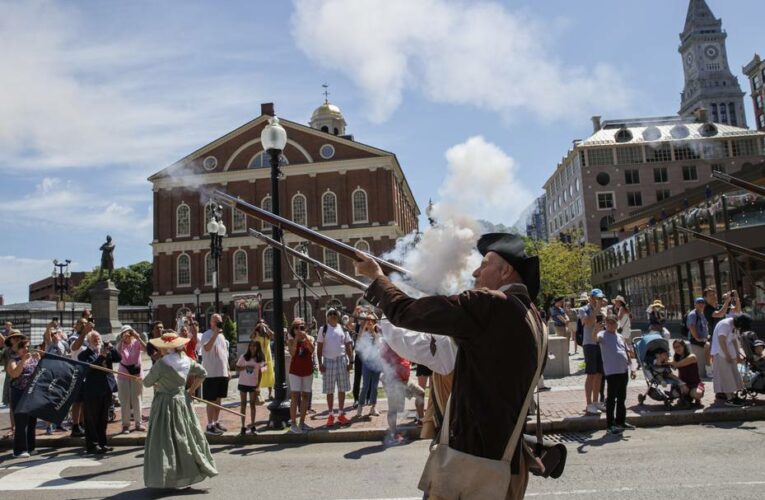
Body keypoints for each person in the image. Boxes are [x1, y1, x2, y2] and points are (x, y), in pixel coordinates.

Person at [355, 232, 544, 499]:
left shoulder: (491, 305)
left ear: (506, 271)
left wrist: (377, 277)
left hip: (473, 466)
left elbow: (406, 312)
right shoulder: (533, 317)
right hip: (505, 465)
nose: (476, 272)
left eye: (485, 264)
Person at [142, 330, 218, 489]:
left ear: (165, 347)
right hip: (182, 403)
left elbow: (147, 383)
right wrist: (191, 390)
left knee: (165, 442)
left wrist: (154, 381)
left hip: (164, 405)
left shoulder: (162, 364)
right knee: (185, 439)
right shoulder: (187, 360)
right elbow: (203, 373)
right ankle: (188, 472)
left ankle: (168, 477)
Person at [79, 331, 121, 454]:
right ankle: (92, 445)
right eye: (94, 338)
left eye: (98, 337)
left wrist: (112, 348)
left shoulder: (106, 350)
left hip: (106, 388)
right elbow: (89, 369)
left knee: (103, 418)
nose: (97, 340)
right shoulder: (84, 354)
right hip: (92, 390)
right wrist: (101, 357)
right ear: (89, 340)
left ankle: (102, 443)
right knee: (92, 419)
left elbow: (119, 358)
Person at [596, 315, 636, 435]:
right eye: (609, 323)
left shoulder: (620, 336)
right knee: (611, 399)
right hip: (611, 371)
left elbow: (626, 352)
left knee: (622, 398)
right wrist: (595, 329)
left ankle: (621, 421)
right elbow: (595, 338)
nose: (612, 325)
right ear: (606, 324)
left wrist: (632, 368)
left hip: (623, 370)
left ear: (617, 324)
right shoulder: (602, 335)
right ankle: (610, 424)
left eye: (614, 323)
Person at [380, 341, 424, 445]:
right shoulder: (387, 343)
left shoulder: (401, 340)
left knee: (421, 393)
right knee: (393, 409)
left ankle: (421, 419)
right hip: (394, 381)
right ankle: (393, 433)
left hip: (406, 379)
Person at [317, 308, 354, 426]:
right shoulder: (323, 329)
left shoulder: (343, 328)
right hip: (328, 361)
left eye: (335, 314)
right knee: (329, 390)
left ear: (338, 316)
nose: (333, 315)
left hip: (342, 360)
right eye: (330, 314)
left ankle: (341, 413)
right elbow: (319, 348)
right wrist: (320, 363)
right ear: (327, 317)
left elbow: (348, 345)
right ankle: (331, 414)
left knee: (342, 388)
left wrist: (351, 362)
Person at [7, 337, 38, 458]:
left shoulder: (33, 359)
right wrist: (23, 361)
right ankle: (19, 450)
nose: (26, 349)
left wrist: (38, 360)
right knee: (21, 422)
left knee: (31, 421)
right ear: (18, 349)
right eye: (24, 347)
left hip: (31, 393)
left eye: (28, 347)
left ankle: (30, 447)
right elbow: (14, 373)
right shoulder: (13, 360)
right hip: (19, 393)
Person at [201, 313, 230, 436]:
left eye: (219, 321)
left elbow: (225, 354)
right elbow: (206, 348)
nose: (218, 323)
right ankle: (209, 424)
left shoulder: (222, 337)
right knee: (211, 400)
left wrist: (228, 369)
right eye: (215, 321)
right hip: (211, 373)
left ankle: (216, 421)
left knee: (219, 399)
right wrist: (214, 334)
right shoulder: (206, 335)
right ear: (211, 322)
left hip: (221, 371)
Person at [711, 314, 749, 407]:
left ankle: (733, 396)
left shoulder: (734, 325)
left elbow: (734, 340)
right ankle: (730, 399)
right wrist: (727, 355)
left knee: (733, 375)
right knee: (726, 376)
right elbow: (721, 340)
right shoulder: (725, 324)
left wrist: (737, 354)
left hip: (729, 354)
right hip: (720, 354)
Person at [116, 325, 147, 434]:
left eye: (129, 332)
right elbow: (117, 354)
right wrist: (122, 339)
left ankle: (139, 423)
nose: (128, 335)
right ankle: (125, 425)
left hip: (137, 375)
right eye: (125, 333)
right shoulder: (121, 344)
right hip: (123, 374)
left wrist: (138, 337)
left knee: (137, 399)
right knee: (125, 400)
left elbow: (147, 349)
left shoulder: (136, 342)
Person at [581, 289, 605, 415]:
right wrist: (596, 309)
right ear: (591, 298)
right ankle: (589, 403)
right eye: (597, 298)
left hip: (600, 343)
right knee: (591, 373)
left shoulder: (603, 310)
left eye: (600, 298)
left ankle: (596, 401)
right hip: (589, 344)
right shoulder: (583, 309)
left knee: (599, 374)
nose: (599, 301)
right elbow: (588, 322)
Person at [287, 318, 314, 434]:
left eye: (301, 327)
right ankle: (293, 423)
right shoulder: (290, 340)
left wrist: (305, 338)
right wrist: (297, 339)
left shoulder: (310, 338)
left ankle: (302, 423)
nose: (299, 330)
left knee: (306, 396)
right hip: (295, 371)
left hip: (307, 370)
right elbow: (292, 353)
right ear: (293, 329)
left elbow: (312, 350)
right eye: (296, 328)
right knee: (295, 396)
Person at [355, 313, 383, 419]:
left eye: (371, 320)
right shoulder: (363, 332)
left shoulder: (378, 332)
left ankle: (373, 407)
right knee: (365, 386)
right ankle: (360, 406)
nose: (370, 322)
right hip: (366, 363)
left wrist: (373, 331)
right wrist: (365, 328)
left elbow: (379, 344)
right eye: (367, 320)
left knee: (374, 387)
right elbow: (359, 343)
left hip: (376, 362)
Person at [236, 339, 265, 435]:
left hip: (253, 384)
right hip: (243, 383)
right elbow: (237, 367)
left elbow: (262, 371)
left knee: (252, 405)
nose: (252, 348)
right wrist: (245, 367)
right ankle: (243, 426)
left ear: (258, 347)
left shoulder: (260, 358)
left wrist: (258, 386)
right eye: (251, 346)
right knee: (243, 404)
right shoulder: (244, 357)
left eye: (254, 346)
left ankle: (252, 425)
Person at [670, 340, 704, 407]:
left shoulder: (692, 356)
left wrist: (669, 362)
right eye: (675, 347)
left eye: (679, 346)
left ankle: (697, 397)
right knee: (679, 395)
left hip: (697, 384)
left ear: (684, 346)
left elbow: (677, 365)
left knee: (698, 394)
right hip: (684, 384)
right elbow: (672, 369)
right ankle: (686, 398)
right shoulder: (676, 358)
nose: (677, 349)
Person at [686, 297, 710, 381]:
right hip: (695, 340)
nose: (701, 304)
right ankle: (708, 370)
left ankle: (708, 370)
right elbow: (692, 326)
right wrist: (697, 338)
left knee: (709, 349)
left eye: (703, 302)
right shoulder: (693, 314)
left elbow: (704, 326)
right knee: (708, 346)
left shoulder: (702, 313)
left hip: (702, 339)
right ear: (695, 304)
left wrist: (706, 336)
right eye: (699, 302)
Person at [252, 320, 274, 401]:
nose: (261, 324)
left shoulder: (266, 333)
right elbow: (251, 337)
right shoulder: (256, 333)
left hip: (268, 357)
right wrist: (256, 327)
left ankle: (270, 394)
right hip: (259, 357)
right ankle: (258, 393)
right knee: (259, 375)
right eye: (260, 322)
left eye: (263, 322)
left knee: (269, 374)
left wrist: (266, 327)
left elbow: (272, 334)